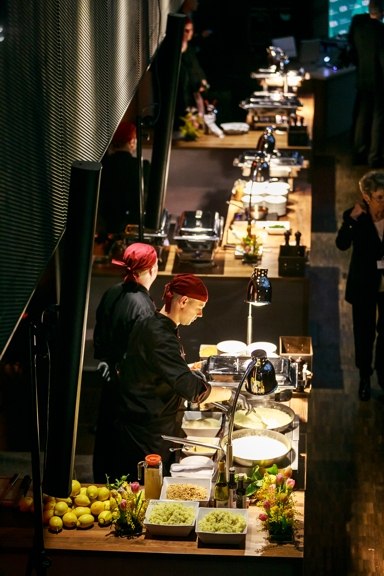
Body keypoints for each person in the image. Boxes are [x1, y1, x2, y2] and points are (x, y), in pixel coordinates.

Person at [108, 273, 249, 481]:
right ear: (183, 301)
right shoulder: (162, 337)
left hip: (145, 420)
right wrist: (229, 395)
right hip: (147, 429)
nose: (200, 314)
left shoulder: (151, 320)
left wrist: (188, 367)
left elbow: (154, 366)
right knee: (149, 488)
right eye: (199, 307)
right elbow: (193, 391)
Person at [92, 243, 158, 482]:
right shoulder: (144, 307)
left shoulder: (112, 292)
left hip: (109, 381)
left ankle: (103, 490)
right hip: (130, 392)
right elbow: (144, 359)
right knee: (128, 457)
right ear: (151, 269)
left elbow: (100, 340)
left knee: (106, 446)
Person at [336, 171, 384, 401]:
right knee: (363, 335)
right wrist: (351, 220)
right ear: (366, 197)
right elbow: (341, 244)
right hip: (364, 284)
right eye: (380, 197)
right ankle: (365, 376)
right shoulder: (356, 217)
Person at [97, 120, 150, 234]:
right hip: (133, 225)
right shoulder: (141, 166)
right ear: (131, 142)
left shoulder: (103, 164)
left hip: (105, 223)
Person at [349, 0, 384, 168]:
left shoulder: (358, 26)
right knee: (378, 119)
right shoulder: (381, 31)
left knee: (362, 117)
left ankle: (358, 155)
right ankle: (374, 158)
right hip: (379, 82)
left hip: (362, 79)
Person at [174, 18, 209, 130]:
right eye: (186, 30)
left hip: (193, 93)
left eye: (191, 30)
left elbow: (196, 69)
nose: (189, 33)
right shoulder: (175, 51)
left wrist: (202, 81)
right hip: (181, 94)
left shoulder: (190, 49)